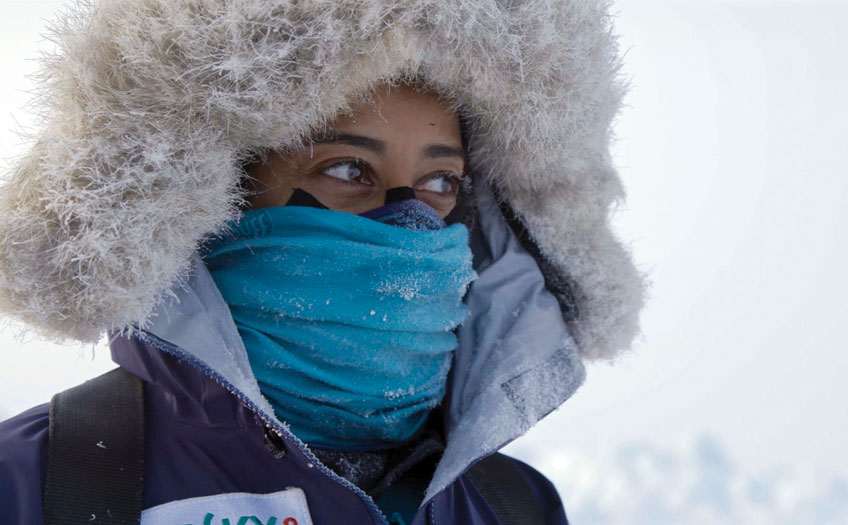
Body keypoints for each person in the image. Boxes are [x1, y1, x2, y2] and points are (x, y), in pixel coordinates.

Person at [0, 1, 646, 524]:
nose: (411, 218)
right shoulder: (35, 483)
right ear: (214, 199)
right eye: (347, 168)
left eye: (442, 181)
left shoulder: (514, 506)